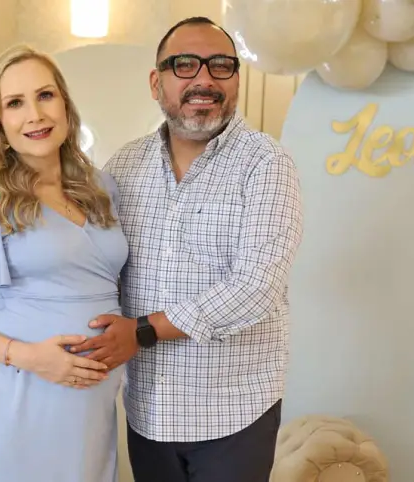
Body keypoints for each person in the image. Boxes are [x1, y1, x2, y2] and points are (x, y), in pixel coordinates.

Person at [69, 17, 304, 482]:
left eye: (221, 66)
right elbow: (100, 266)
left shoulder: (267, 164)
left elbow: (255, 287)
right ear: (156, 83)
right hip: (147, 411)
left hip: (234, 414)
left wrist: (142, 331)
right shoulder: (125, 165)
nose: (204, 79)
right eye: (184, 65)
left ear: (236, 79)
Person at [0, 44, 129, 482]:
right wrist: (30, 357)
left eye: (45, 95)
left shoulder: (102, 189)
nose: (35, 115)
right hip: (15, 399)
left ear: (65, 104)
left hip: (89, 414)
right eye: (15, 103)